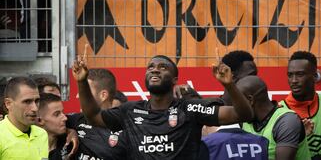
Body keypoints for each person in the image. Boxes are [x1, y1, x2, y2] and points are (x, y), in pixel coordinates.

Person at [72, 50, 253, 159]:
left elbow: (243, 114)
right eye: (150, 67)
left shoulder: (189, 108)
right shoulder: (130, 111)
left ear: (175, 79)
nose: (155, 69)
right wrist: (82, 82)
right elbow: (94, 116)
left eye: (163, 67)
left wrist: (229, 85)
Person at [241, 76, 311, 160]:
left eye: (237, 101)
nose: (235, 106)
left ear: (250, 100)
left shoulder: (287, 121)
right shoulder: (245, 118)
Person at [67, 68, 128, 160]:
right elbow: (43, 124)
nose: (79, 95)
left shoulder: (127, 129)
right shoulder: (73, 121)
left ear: (103, 95)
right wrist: (68, 131)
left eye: (85, 90)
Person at [0, 77, 48, 159]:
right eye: (27, 101)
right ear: (8, 104)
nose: (35, 108)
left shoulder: (42, 134)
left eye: (37, 101)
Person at [37, 93, 71, 160]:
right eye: (57, 114)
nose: (65, 118)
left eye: (62, 112)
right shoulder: (27, 150)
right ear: (39, 120)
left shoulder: (70, 144)